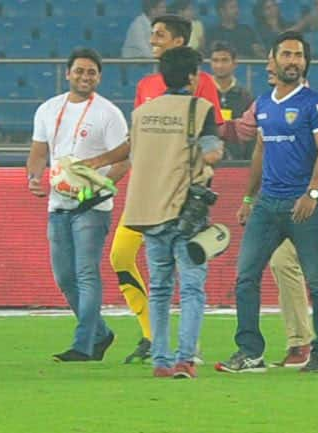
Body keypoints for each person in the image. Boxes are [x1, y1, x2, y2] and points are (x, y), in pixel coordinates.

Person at [220, 49, 318, 368]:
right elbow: (259, 151)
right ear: (273, 61)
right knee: (245, 277)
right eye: (286, 55)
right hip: (267, 204)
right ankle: (251, 351)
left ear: (306, 63)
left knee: (316, 279)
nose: (292, 61)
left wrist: (314, 194)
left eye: (298, 56)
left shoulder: (316, 103)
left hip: (302, 205)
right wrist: (249, 198)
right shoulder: (264, 104)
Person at [112, 14, 224, 364]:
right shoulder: (199, 107)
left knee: (159, 289)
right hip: (185, 210)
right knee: (191, 287)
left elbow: (134, 151)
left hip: (147, 210)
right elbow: (213, 153)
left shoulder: (142, 113)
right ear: (193, 77)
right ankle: (186, 358)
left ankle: (160, 358)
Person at [26, 48, 129, 362]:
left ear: (99, 77)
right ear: (68, 73)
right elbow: (39, 150)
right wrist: (33, 176)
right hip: (58, 205)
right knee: (64, 277)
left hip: (92, 208)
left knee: (86, 273)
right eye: (80, 71)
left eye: (91, 73)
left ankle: (82, 346)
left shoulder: (108, 113)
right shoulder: (47, 109)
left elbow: (125, 157)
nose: (85, 77)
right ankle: (101, 334)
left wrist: (102, 187)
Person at [210, 41, 255, 159]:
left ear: (234, 63)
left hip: (238, 162)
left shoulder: (245, 97)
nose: (219, 65)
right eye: (215, 60)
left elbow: (250, 133)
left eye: (224, 60)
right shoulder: (202, 94)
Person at [252, 0, 318, 51]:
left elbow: (314, 27)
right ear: (262, 12)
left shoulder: (286, 24)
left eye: (274, 5)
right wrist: (303, 23)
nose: (272, 9)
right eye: (268, 8)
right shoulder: (260, 29)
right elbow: (279, 38)